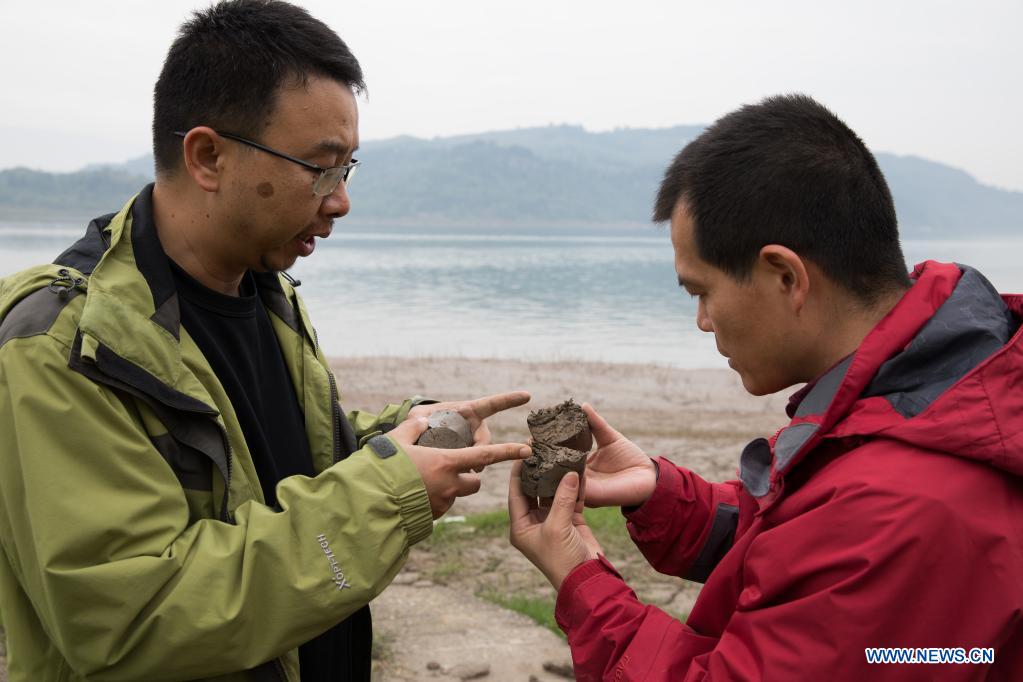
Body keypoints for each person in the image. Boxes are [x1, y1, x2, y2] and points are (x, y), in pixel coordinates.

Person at [0, 2, 530, 680]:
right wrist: (385, 493)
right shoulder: (63, 342)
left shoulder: (265, 296)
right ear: (208, 156)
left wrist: (406, 433)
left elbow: (274, 472)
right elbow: (130, 619)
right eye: (321, 167)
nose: (339, 200)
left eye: (348, 169)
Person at [509, 94, 1023, 680]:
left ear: (786, 276)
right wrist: (660, 494)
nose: (702, 320)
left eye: (700, 291)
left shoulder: (891, 511)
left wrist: (581, 579)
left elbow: (843, 545)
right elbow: (807, 551)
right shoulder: (941, 387)